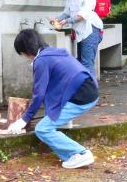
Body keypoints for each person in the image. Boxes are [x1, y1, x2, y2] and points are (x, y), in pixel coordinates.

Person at [6, 28, 98, 169]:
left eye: (22, 53)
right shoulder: (53, 52)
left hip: (81, 96)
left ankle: (80, 153)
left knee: (43, 129)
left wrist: (23, 120)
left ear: (25, 51)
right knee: (51, 118)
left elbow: (39, 95)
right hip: (89, 89)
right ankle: (72, 148)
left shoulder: (41, 61)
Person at [50, 0, 103, 75]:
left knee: (86, 64)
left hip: (91, 30)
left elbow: (81, 16)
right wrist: (56, 19)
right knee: (81, 64)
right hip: (82, 32)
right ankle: (84, 90)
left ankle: (90, 90)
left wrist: (66, 21)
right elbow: (66, 13)